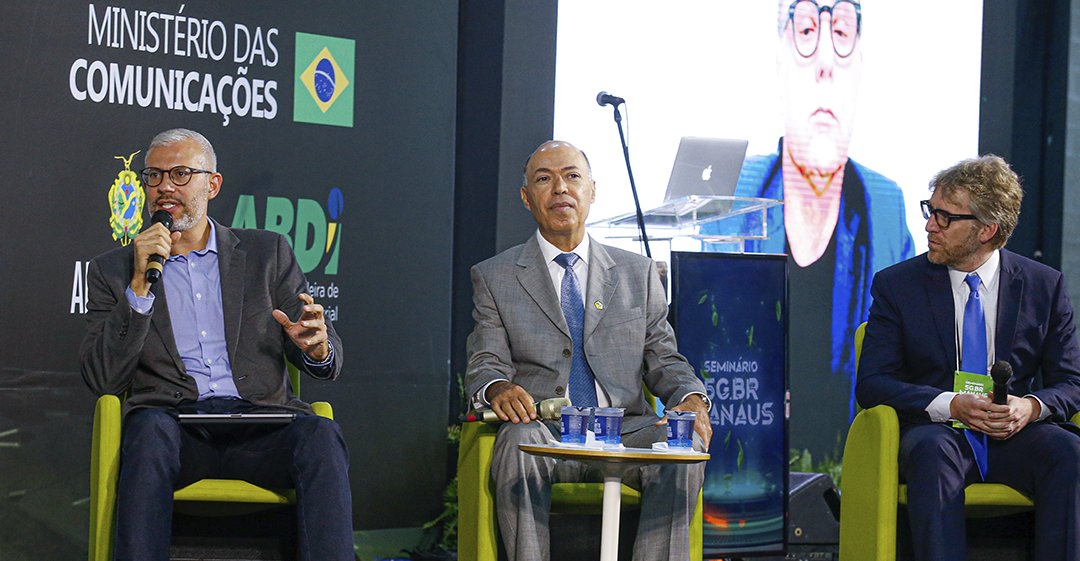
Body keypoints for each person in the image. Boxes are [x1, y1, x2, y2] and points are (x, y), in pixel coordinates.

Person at [79, 128, 353, 560]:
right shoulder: (113, 271)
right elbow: (102, 378)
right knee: (147, 431)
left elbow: (326, 356)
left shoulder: (268, 253)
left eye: (181, 174)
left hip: (260, 427)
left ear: (213, 184)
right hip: (174, 430)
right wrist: (138, 286)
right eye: (153, 176)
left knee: (321, 435)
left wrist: (315, 348)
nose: (165, 186)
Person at [464, 140, 712, 561]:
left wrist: (690, 398)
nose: (560, 188)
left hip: (626, 432)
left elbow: (665, 360)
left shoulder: (639, 273)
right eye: (544, 179)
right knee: (516, 441)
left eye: (572, 176)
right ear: (527, 198)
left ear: (592, 190)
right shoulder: (494, 276)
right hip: (544, 431)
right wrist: (497, 387)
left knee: (682, 447)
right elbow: (485, 361)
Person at [856, 155, 1080, 561]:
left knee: (1069, 453)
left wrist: (1030, 407)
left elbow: (1072, 382)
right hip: (938, 431)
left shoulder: (1043, 286)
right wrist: (949, 404)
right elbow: (872, 382)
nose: (929, 226)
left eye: (945, 217)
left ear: (987, 230)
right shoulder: (896, 285)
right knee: (932, 453)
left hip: (1013, 433)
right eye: (930, 211)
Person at [704, 0, 914, 428]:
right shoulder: (734, 195)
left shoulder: (886, 206)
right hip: (744, 445)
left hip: (852, 458)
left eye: (840, 34)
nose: (824, 65)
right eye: (803, 32)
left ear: (860, 66)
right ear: (778, 62)